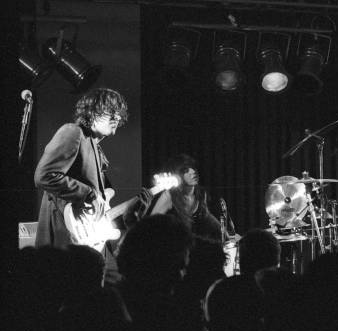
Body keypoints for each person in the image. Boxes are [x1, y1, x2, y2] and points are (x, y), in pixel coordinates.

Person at [34, 88, 128, 249]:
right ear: (91, 113)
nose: (116, 117)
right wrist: (89, 194)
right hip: (65, 235)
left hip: (88, 236)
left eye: (118, 113)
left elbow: (103, 188)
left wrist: (106, 194)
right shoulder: (73, 132)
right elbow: (44, 176)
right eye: (110, 112)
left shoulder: (95, 147)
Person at [148, 153, 235, 242]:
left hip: (190, 245)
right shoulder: (169, 196)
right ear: (177, 174)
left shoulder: (200, 194)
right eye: (186, 170)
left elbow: (208, 217)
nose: (193, 172)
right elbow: (150, 224)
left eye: (193, 168)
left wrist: (227, 236)